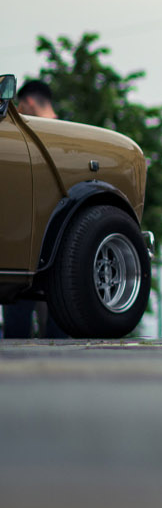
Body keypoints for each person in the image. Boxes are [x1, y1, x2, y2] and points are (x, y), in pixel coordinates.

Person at [4, 80, 63, 339]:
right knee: (60, 326)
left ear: (27, 103)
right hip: (60, 245)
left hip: (25, 240)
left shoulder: (27, 138)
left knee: (18, 320)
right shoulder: (72, 135)